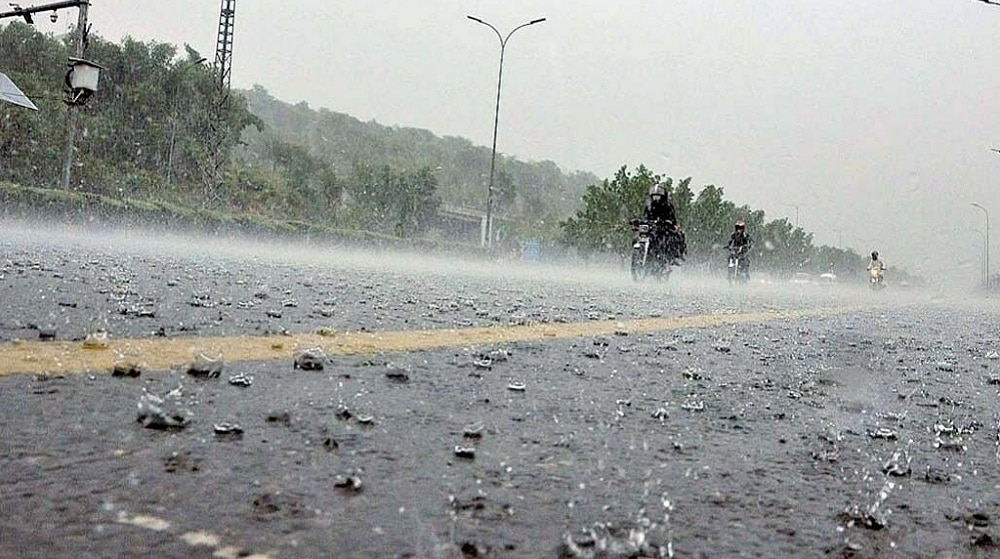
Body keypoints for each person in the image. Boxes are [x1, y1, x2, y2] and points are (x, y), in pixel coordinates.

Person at [642, 183, 684, 260]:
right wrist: (641, 222)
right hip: (651, 228)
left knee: (666, 238)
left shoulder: (667, 206)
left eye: (658, 196)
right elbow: (645, 216)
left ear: (663, 197)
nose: (655, 198)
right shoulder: (649, 207)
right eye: (654, 196)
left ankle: (668, 256)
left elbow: (672, 218)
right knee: (640, 235)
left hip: (663, 229)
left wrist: (667, 222)